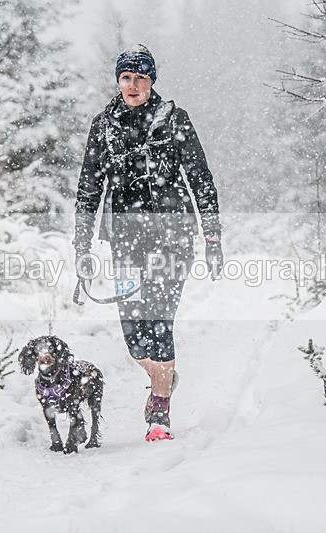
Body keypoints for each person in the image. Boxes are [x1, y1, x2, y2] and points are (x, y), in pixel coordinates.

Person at [73, 44, 223, 441]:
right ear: (118, 81)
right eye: (126, 77)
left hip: (172, 238)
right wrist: (81, 247)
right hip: (124, 242)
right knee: (133, 332)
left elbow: (201, 180)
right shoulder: (104, 126)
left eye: (141, 77)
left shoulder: (174, 120)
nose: (133, 84)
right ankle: (162, 376)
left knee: (159, 320)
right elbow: (88, 189)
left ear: (152, 81)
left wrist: (212, 236)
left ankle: (159, 412)